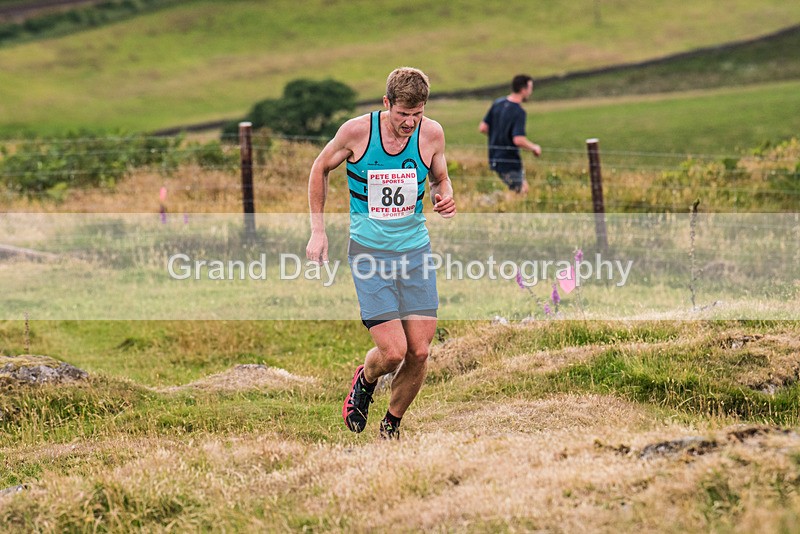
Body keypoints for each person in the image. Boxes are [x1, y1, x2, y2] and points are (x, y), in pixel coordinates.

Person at [306, 67, 456, 440]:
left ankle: (391, 424)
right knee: (392, 353)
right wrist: (318, 231)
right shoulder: (357, 132)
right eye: (402, 113)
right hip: (370, 254)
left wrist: (444, 195)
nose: (409, 122)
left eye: (417, 114)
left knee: (419, 352)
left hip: (415, 253)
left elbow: (440, 176)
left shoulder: (432, 133)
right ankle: (366, 377)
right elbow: (319, 168)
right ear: (386, 103)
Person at [478, 74, 542, 194]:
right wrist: (534, 147)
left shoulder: (498, 103)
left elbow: (483, 128)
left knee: (521, 188)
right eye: (530, 88)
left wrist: (498, 137)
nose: (530, 92)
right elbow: (518, 139)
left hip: (494, 157)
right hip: (509, 160)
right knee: (520, 191)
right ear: (523, 89)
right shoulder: (519, 112)